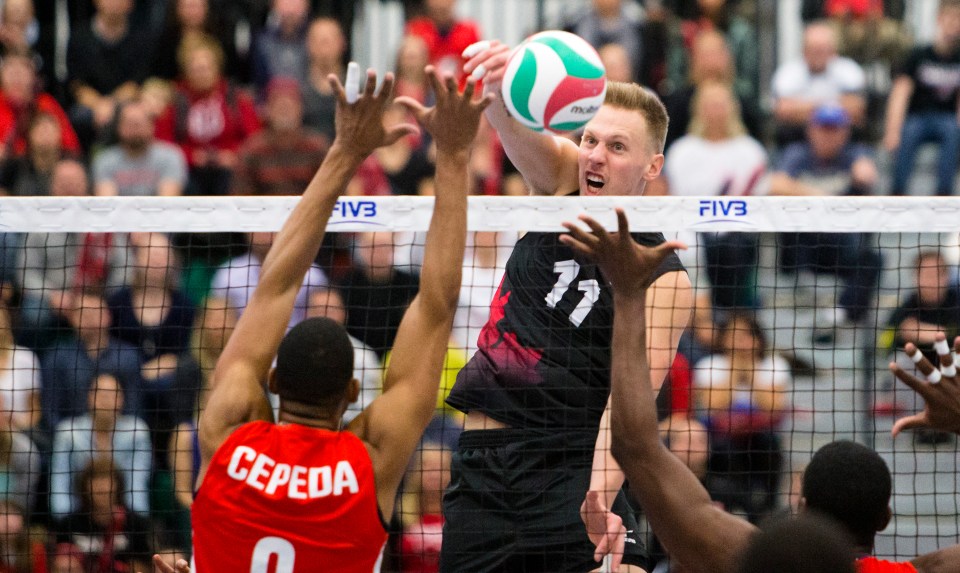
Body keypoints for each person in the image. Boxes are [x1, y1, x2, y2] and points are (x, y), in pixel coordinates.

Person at [190, 66, 491, 570]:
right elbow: (437, 305)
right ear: (353, 394)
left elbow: (274, 286)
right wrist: (455, 153)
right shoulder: (369, 462)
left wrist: (344, 150)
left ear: (272, 381)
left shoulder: (226, 434)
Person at [562, 209, 960, 573]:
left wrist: (629, 293)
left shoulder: (752, 562)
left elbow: (634, 446)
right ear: (885, 518)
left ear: (801, 505)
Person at [443, 43, 693, 572]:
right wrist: (499, 83)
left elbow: (628, 404)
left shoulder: (663, 276)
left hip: (571, 471)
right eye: (590, 140)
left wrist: (599, 491)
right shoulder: (559, 183)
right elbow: (511, 125)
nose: (595, 156)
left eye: (617, 147)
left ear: (652, 166)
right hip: (481, 475)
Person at [883, 0, 960, 197]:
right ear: (939, 19)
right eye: (951, 18)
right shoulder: (919, 55)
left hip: (947, 120)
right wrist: (892, 131)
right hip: (918, 117)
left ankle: (944, 195)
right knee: (909, 131)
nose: (955, 24)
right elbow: (900, 93)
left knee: (952, 130)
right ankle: (897, 193)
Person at [771, 21, 866, 146]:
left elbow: (856, 111)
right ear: (804, 51)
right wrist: (834, 105)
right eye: (814, 50)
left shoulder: (849, 70)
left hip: (846, 145)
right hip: (798, 142)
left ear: (833, 51)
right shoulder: (788, 73)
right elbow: (784, 112)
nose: (818, 55)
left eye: (823, 50)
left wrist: (803, 107)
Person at [92, 100, 188, 197]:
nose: (135, 129)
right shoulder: (105, 160)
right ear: (119, 127)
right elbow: (107, 202)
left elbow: (167, 201)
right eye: (129, 123)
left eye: (139, 124)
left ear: (152, 126)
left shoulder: (170, 156)